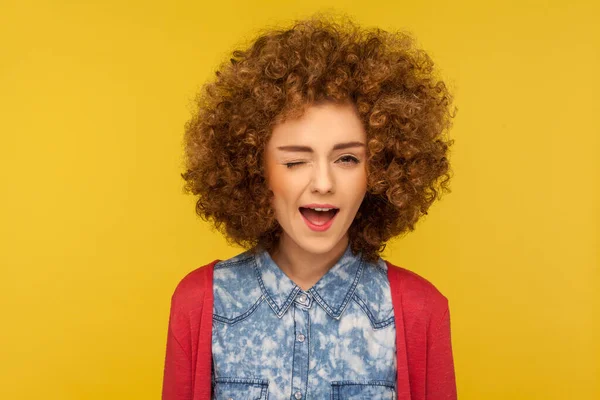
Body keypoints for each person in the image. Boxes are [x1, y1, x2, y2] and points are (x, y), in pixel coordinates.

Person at [162, 14, 457, 400]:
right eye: (295, 160)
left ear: (381, 169)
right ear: (255, 168)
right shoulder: (201, 303)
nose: (323, 183)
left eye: (347, 159)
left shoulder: (421, 310)